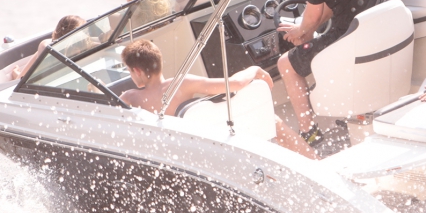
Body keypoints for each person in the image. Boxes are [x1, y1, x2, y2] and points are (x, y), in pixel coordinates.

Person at [276, 0, 388, 147]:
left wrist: (299, 31)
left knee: (286, 64)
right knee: (307, 42)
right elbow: (331, 4)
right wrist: (305, 30)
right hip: (376, 35)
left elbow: (313, 16)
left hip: (350, 41)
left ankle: (309, 132)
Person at [119, 39, 316, 159]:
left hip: (179, 154)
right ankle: (314, 161)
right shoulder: (180, 83)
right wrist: (254, 69)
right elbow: (235, 84)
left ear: (137, 71)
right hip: (210, 145)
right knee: (272, 121)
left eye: (129, 71)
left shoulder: (130, 97)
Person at [11, 15, 85, 80]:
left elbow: (36, 76)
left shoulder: (47, 47)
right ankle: (19, 77)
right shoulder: (81, 49)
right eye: (84, 32)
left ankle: (18, 77)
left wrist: (19, 77)